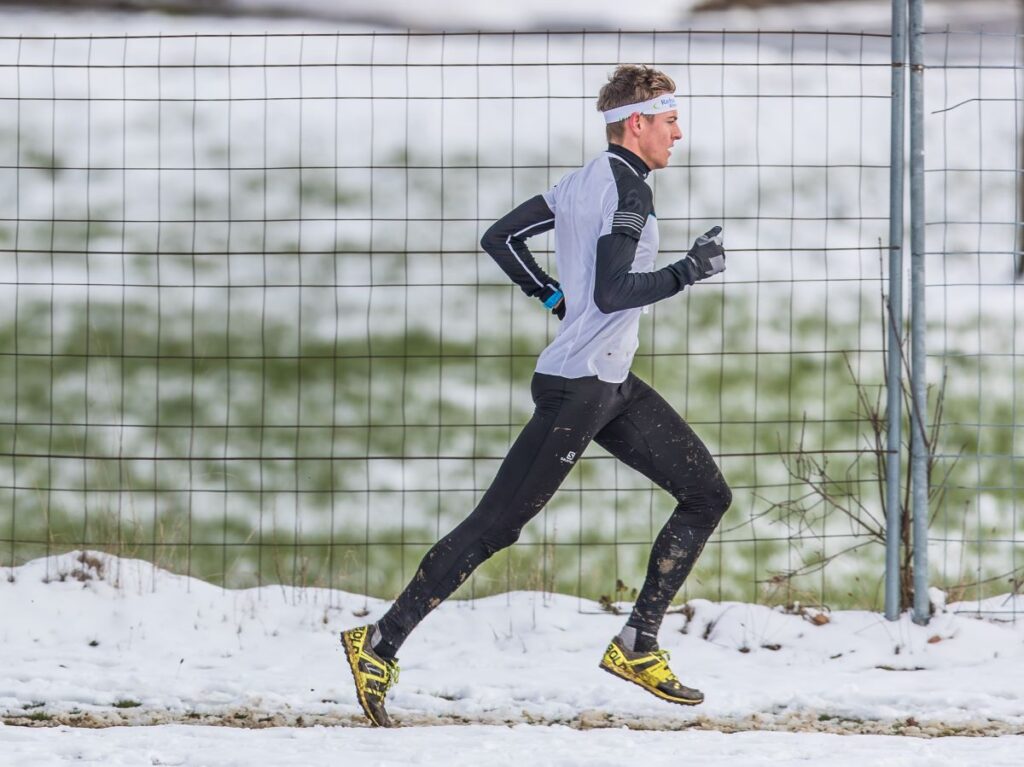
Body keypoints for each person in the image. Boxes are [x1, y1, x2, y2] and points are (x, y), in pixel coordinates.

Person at [340, 64, 732, 727]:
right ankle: (378, 642)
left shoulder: (584, 180)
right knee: (497, 525)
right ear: (636, 123)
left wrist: (552, 296)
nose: (678, 133)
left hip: (608, 382)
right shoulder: (629, 193)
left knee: (706, 493)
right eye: (670, 121)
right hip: (579, 388)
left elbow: (501, 238)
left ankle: (638, 641)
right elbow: (613, 292)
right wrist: (687, 271)